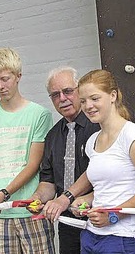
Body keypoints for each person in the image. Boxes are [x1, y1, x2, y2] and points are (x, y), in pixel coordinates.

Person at [0, 48, 55, 253]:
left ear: (18, 76)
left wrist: (3, 194)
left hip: (30, 210)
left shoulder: (39, 114)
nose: (0, 86)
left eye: (5, 79)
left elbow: (33, 164)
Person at [75, 69, 135, 253]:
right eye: (83, 101)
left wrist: (114, 215)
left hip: (124, 238)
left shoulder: (132, 135)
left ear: (113, 95)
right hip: (91, 235)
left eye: (94, 98)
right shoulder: (93, 140)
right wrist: (84, 201)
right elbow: (108, 188)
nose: (88, 106)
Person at [27, 67, 100, 253]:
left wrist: (67, 198)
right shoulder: (52, 136)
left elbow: (98, 171)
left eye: (68, 91)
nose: (62, 98)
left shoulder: (99, 126)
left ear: (80, 90)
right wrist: (37, 197)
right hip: (67, 221)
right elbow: (48, 181)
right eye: (55, 95)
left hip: (99, 217)